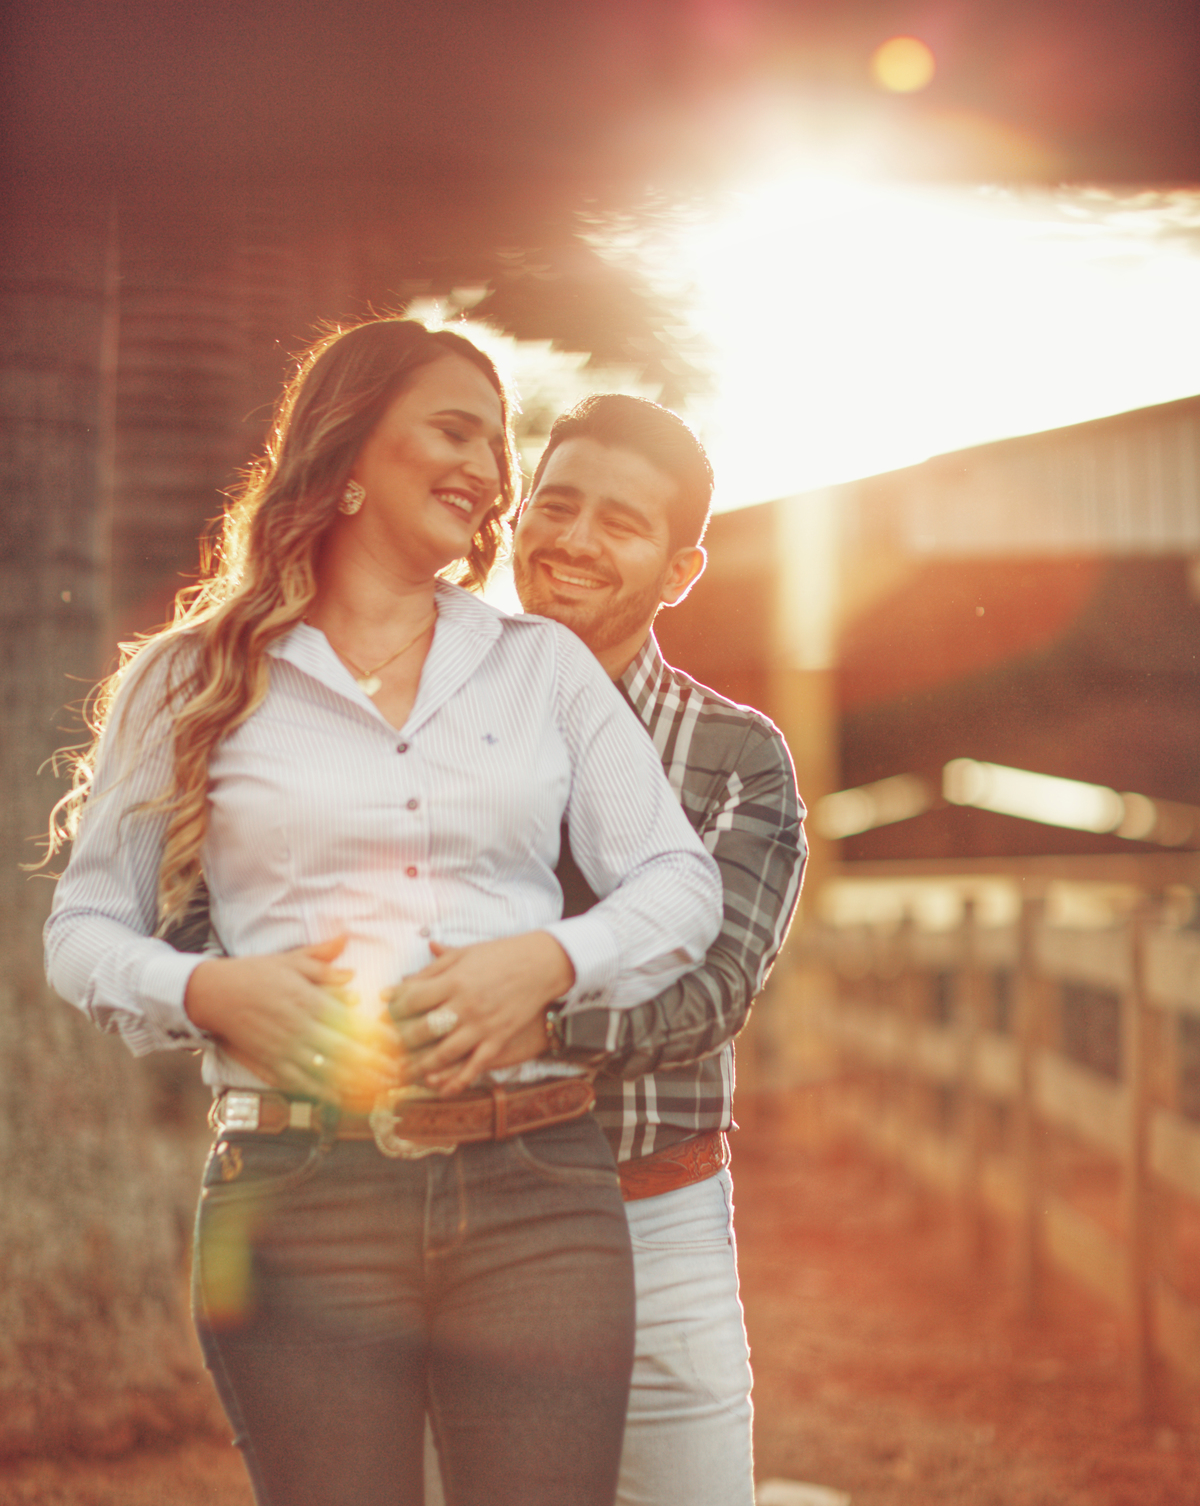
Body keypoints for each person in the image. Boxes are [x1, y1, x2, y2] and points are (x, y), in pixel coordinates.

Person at [43, 322, 723, 1506]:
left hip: (538, 1189)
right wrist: (206, 988)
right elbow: (84, 927)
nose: (491, 468)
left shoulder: (540, 668)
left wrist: (550, 963)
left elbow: (678, 879)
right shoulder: (190, 674)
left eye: (497, 444)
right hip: (296, 1192)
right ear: (349, 451)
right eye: (455, 430)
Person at [393, 394, 806, 1506]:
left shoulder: (735, 757)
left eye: (619, 523)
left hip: (652, 1225)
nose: (573, 540)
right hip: (442, 1212)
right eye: (557, 504)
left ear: (680, 570)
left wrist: (536, 1023)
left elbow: (713, 990)